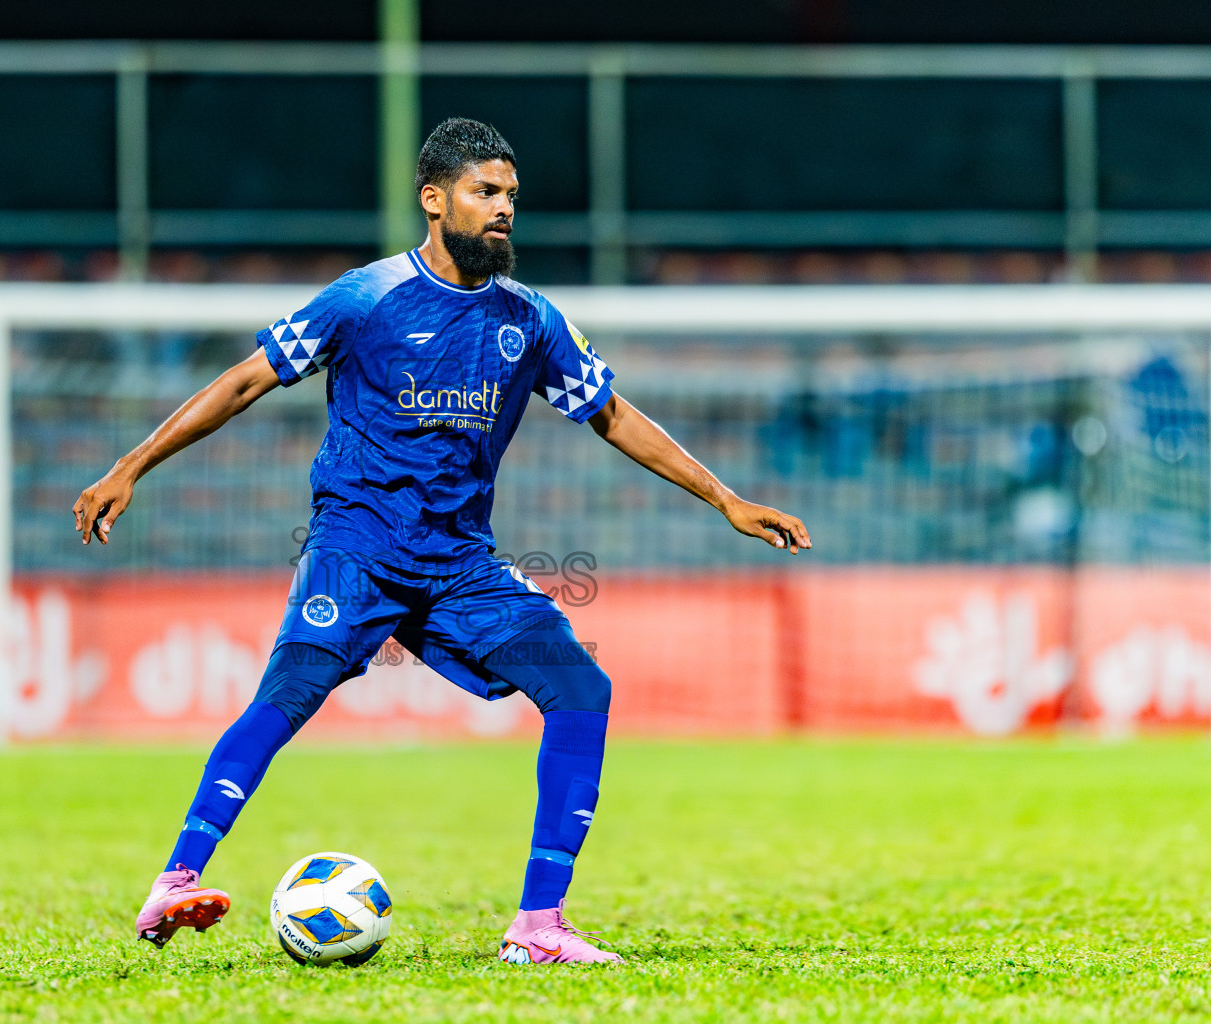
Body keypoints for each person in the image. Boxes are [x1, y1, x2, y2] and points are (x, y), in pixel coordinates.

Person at [73, 118, 811, 965]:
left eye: (510, 198)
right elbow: (245, 381)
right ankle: (176, 879)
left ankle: (539, 927)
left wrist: (725, 498)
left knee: (581, 688)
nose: (502, 211)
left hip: (460, 563)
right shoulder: (366, 297)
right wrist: (132, 464)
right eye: (485, 192)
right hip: (358, 547)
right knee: (287, 698)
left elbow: (611, 414)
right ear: (435, 199)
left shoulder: (529, 318)